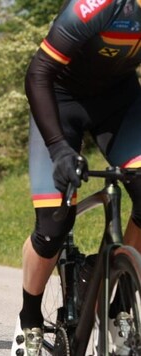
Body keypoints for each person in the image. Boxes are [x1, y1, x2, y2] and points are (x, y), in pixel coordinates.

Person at [11, 1, 141, 355]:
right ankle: (30, 320)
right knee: (54, 222)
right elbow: (38, 72)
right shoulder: (99, 6)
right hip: (59, 99)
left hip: (121, 103)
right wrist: (59, 150)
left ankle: (121, 305)